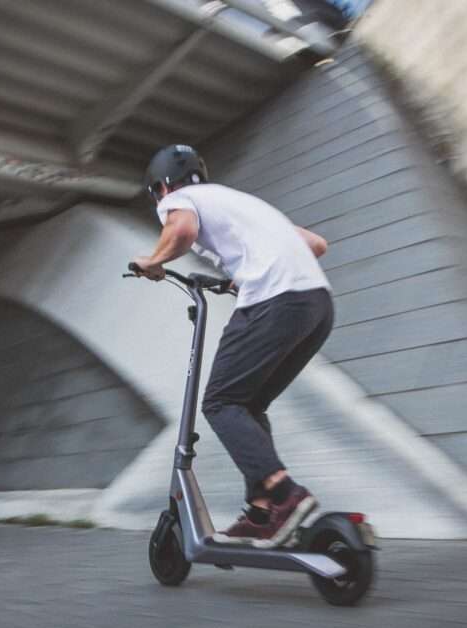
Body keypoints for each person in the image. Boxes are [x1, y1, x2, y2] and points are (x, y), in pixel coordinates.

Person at [133, 144, 333, 547]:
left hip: (276, 301)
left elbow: (183, 230)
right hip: (317, 306)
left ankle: (284, 493)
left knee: (220, 403)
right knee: (248, 405)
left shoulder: (180, 200)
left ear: (161, 187)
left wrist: (153, 261)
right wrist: (236, 279)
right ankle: (261, 512)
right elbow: (315, 245)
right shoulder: (238, 201)